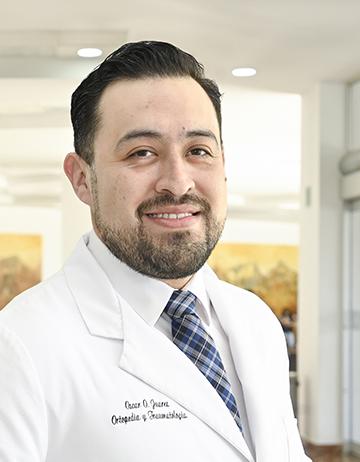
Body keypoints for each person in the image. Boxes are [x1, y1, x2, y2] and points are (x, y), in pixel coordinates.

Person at [0, 41, 311, 462]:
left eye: (198, 151)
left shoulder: (256, 322)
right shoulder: (19, 347)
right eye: (141, 153)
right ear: (81, 179)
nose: (178, 182)